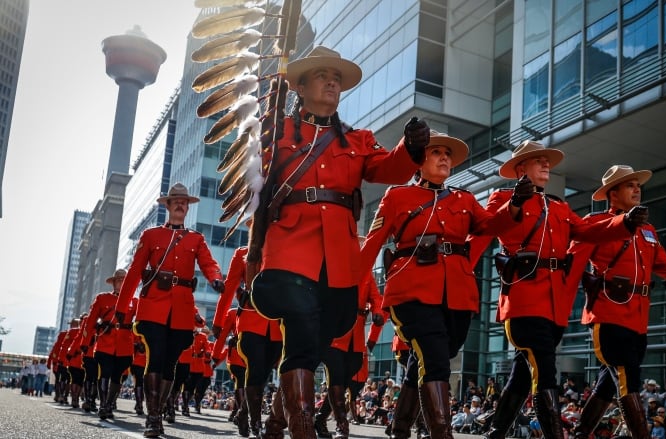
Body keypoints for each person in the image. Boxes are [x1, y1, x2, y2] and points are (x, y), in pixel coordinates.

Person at [248, 45, 430, 439]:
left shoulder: (358, 139)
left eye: (336, 78)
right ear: (299, 86)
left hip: (339, 259)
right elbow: (254, 186)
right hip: (291, 251)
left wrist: (411, 148)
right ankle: (302, 431)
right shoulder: (275, 131)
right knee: (300, 339)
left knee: (316, 343)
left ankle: (277, 422)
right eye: (321, 75)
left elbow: (391, 169)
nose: (332, 82)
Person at [467, 142, 646, 439]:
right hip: (523, 300)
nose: (546, 165)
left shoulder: (559, 206)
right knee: (546, 372)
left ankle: (497, 431)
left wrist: (623, 223)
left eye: (547, 161)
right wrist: (514, 203)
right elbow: (485, 228)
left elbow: (589, 231)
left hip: (554, 306)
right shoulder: (502, 197)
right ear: (521, 168)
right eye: (539, 161)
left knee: (524, 373)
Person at [360, 132, 516, 439]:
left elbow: (489, 226)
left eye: (448, 153)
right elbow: (371, 245)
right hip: (411, 291)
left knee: (428, 359)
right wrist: (343, 289)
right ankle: (440, 434)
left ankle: (400, 428)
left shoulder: (465, 199)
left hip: (457, 295)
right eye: (436, 152)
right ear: (419, 162)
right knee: (434, 362)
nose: (445, 157)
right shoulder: (397, 196)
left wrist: (515, 206)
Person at [568, 165, 666, 439]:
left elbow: (665, 265)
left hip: (638, 319)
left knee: (607, 385)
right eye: (629, 185)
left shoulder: (647, 229)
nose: (637, 189)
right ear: (612, 193)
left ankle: (579, 434)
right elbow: (572, 262)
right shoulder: (596, 221)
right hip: (608, 312)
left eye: (638, 184)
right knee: (629, 379)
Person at [115, 182, 224, 438]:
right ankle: (153, 418)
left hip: (181, 310)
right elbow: (134, 272)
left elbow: (209, 263)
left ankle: (160, 410)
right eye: (175, 201)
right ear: (167, 205)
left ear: (187, 207)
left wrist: (216, 279)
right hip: (153, 306)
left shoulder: (196, 239)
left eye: (184, 202)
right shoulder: (151, 236)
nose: (179, 204)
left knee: (171, 363)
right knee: (157, 354)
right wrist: (122, 307)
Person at [217, 242, 283, 438]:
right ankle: (255, 424)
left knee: (262, 376)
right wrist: (219, 320)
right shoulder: (242, 253)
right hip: (250, 319)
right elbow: (229, 288)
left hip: (276, 324)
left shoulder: (284, 247)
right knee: (255, 369)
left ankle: (243, 413)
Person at [314, 265, 386, 439]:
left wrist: (377, 312)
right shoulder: (335, 266)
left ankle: (321, 418)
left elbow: (376, 298)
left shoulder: (366, 272)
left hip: (357, 337)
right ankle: (342, 425)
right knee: (336, 375)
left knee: (343, 381)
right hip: (335, 333)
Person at [82, 268, 136, 420]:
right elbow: (90, 322)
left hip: (124, 345)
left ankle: (110, 402)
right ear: (113, 283)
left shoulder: (135, 301)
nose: (120, 282)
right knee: (105, 372)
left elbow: (140, 322)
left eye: (123, 279)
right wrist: (85, 343)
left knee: (117, 376)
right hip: (106, 342)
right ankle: (104, 405)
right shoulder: (102, 298)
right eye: (118, 279)